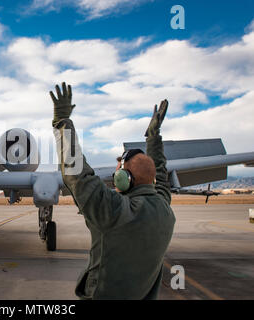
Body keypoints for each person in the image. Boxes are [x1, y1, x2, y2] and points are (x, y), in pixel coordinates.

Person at [50, 82, 176, 300]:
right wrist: (153, 137)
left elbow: (77, 175)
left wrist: (62, 121)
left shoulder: (115, 212)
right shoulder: (164, 208)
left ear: (125, 178)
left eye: (119, 170)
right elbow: (161, 176)